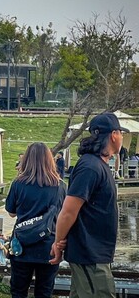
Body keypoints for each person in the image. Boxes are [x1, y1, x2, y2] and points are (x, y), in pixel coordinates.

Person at [50, 113, 128, 297]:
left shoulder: (98, 165)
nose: (122, 137)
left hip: (95, 253)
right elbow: (68, 211)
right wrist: (58, 243)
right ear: (114, 135)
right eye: (121, 133)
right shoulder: (89, 167)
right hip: (90, 255)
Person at [5, 142, 66, 298]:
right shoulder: (60, 186)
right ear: (50, 159)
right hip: (49, 245)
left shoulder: (18, 183)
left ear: (27, 160)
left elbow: (11, 212)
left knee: (18, 291)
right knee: (44, 291)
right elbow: (63, 216)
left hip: (21, 245)